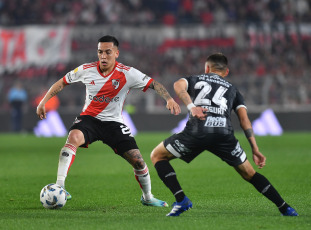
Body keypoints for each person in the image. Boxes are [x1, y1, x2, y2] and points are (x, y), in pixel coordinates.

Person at [36, 35, 181, 207]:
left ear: (116, 53)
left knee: (139, 161)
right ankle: (60, 186)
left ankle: (147, 197)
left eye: (107, 52)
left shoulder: (128, 73)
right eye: (100, 52)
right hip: (89, 119)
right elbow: (62, 82)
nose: (103, 56)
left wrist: (169, 99)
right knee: (73, 138)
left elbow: (154, 84)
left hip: (114, 123)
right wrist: (43, 101)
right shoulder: (85, 69)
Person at [150, 53, 298, 216]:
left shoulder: (197, 78)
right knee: (250, 173)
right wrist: (255, 148)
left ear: (207, 68)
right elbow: (244, 120)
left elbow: (178, 85)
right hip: (224, 134)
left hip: (198, 130)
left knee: (157, 156)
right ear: (226, 72)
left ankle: (181, 200)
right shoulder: (234, 90)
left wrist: (192, 106)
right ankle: (285, 208)